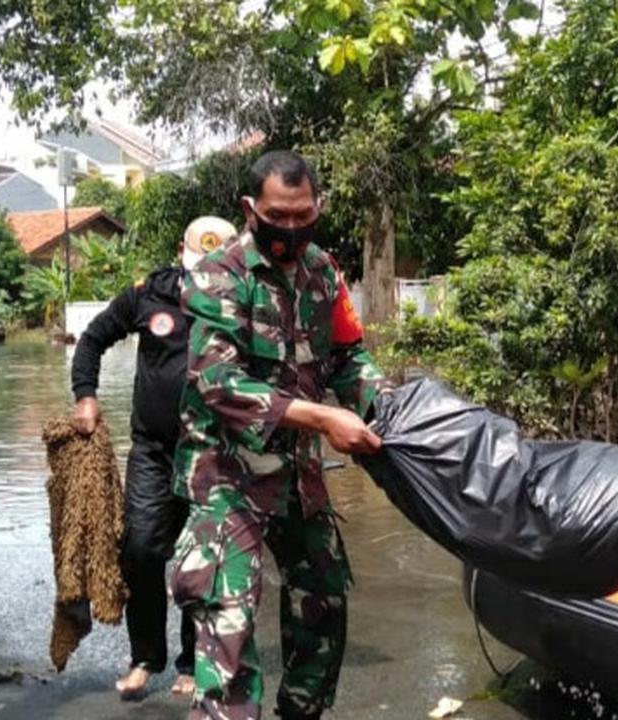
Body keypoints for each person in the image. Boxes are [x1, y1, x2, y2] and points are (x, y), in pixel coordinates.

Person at [169, 150, 389, 720]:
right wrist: (322, 418)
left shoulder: (323, 272)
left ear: (317, 206)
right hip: (225, 478)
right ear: (250, 209)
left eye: (301, 214)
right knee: (229, 628)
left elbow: (346, 356)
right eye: (277, 216)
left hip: (297, 474)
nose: (290, 229)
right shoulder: (219, 275)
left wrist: (382, 405)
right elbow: (219, 382)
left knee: (324, 605)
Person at [69, 215, 239, 699]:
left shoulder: (241, 298)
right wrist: (86, 395)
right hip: (153, 450)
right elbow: (94, 338)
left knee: (201, 557)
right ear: (180, 254)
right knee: (141, 549)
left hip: (213, 452)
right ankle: (146, 657)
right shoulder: (149, 293)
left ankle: (192, 660)